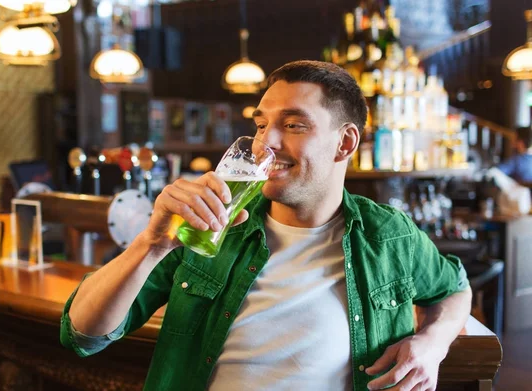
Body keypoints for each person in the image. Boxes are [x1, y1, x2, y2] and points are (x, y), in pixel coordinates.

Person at [60, 61, 471, 391]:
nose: (265, 142)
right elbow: (82, 334)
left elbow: (454, 290)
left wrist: (431, 344)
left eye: (293, 125)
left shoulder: (388, 235)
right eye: (260, 124)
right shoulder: (214, 223)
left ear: (345, 143)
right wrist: (150, 245)